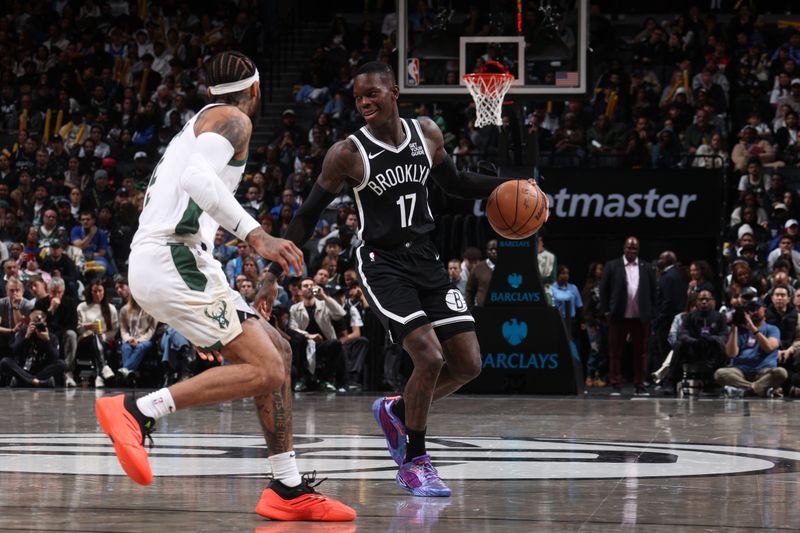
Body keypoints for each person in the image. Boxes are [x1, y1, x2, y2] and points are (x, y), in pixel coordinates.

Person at [263, 61, 545, 496]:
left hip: (427, 260)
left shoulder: (427, 133)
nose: (364, 102)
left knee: (469, 363)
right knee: (429, 357)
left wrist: (510, 185)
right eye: (358, 98)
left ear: (394, 92)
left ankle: (397, 409)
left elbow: (452, 183)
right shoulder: (348, 153)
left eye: (372, 93)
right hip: (381, 264)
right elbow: (307, 215)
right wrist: (273, 271)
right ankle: (415, 461)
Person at [95, 52, 354, 522]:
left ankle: (287, 487)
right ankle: (137, 409)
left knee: (278, 350)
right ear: (255, 91)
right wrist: (257, 235)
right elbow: (197, 182)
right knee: (268, 368)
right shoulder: (233, 119)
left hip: (178, 259)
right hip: (173, 256)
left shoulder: (203, 120)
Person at [599, 236, 657, 396]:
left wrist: (652, 313)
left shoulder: (647, 267)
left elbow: (654, 292)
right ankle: (616, 385)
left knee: (641, 353)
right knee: (615, 352)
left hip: (640, 317)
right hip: (618, 316)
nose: (631, 251)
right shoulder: (612, 266)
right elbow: (603, 290)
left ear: (638, 250)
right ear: (623, 248)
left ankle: (640, 385)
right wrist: (606, 311)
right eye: (629, 248)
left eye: (634, 249)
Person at [715, 296, 787, 397]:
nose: (754, 311)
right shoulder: (740, 331)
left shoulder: (772, 329)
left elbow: (769, 348)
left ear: (764, 310)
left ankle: (742, 390)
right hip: (740, 371)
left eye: (757, 308)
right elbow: (731, 354)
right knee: (720, 374)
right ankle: (758, 389)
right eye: (750, 309)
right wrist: (734, 328)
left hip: (763, 372)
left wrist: (753, 329)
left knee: (781, 372)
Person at [0, 309, 65, 387]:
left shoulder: (51, 337)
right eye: (34, 323)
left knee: (62, 364)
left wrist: (47, 341)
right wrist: (26, 337)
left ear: (45, 323)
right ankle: (37, 382)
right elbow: (14, 351)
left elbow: (54, 357)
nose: (37, 326)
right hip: (24, 369)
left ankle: (24, 381)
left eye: (39, 324)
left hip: (42, 370)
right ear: (29, 323)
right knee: (5, 361)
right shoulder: (23, 332)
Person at [465, 239, 497, 309]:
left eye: (496, 249)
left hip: (503, 310)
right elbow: (469, 290)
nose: (494, 251)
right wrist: (470, 308)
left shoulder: (507, 266)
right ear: (486, 251)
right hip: (482, 310)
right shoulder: (477, 268)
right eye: (491, 249)